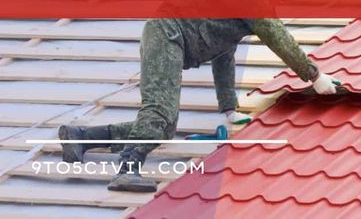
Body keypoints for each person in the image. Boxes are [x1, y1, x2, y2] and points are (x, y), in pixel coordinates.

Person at [58, 18, 340, 192]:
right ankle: (128, 168)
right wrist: (314, 75)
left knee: (164, 127)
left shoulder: (233, 15)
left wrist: (229, 108)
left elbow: (224, 55)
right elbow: (276, 35)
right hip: (168, 35)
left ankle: (81, 138)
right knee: (159, 113)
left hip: (169, 37)